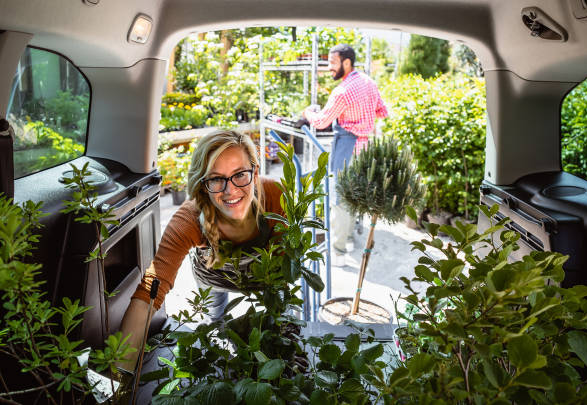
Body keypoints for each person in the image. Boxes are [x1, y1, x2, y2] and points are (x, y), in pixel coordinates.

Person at [119, 129, 284, 371]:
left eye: (240, 174)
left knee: (276, 326)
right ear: (203, 184)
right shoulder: (189, 217)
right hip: (213, 278)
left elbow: (284, 271)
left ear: (255, 172)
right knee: (215, 322)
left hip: (263, 278)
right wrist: (117, 378)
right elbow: (150, 291)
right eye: (216, 179)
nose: (230, 190)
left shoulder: (275, 196)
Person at [302, 44, 388, 260]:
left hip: (347, 146)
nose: (329, 67)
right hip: (366, 147)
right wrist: (363, 120)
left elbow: (322, 122)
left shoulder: (342, 91)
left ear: (346, 62)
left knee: (339, 199)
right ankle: (348, 240)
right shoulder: (369, 82)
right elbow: (382, 111)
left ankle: (338, 251)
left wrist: (308, 112)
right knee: (355, 195)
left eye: (333, 62)